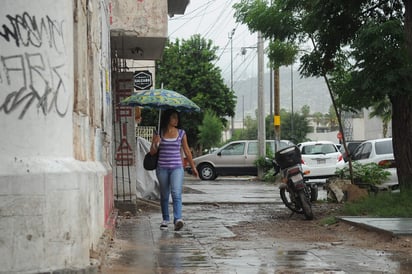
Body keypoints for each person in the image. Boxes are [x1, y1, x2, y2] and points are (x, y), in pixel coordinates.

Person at [149, 109, 199, 231]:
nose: (176, 120)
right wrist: (156, 143)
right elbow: (152, 152)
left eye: (177, 118)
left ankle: (178, 219)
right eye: (173, 117)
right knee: (164, 195)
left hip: (177, 168)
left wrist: (193, 167)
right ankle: (165, 219)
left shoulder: (181, 133)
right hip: (162, 168)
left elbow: (187, 151)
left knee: (176, 193)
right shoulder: (159, 133)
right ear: (168, 119)